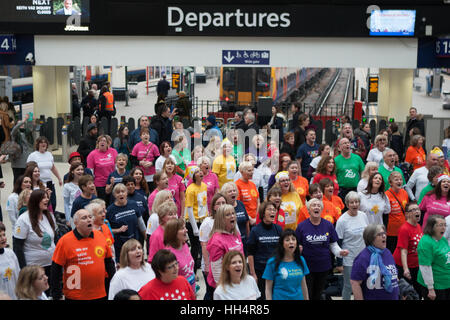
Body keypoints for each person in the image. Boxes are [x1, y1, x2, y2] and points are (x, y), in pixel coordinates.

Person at [51, 209, 115, 300]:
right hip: (75, 296)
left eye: (90, 217)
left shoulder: (100, 236)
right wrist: (56, 295)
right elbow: (56, 269)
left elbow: (109, 262)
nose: (89, 220)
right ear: (76, 223)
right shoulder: (64, 241)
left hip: (100, 294)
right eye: (84, 218)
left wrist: (114, 284)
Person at [295, 198, 348, 300]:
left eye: (318, 206)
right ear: (308, 210)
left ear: (321, 209)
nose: (316, 207)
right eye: (313, 205)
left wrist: (340, 252)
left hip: (323, 266)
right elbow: (296, 245)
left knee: (318, 293)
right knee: (307, 293)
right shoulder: (301, 226)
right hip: (307, 267)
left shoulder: (328, 225)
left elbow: (333, 245)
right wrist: (298, 249)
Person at [13, 189, 56, 297]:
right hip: (34, 268)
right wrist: (24, 269)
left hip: (50, 264)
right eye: (43, 198)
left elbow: (54, 240)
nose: (47, 200)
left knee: (49, 294)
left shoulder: (49, 216)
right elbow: (18, 246)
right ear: (35, 201)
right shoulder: (23, 219)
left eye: (47, 197)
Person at [350, 224, 400, 300]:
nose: (384, 236)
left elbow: (394, 274)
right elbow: (355, 282)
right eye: (380, 234)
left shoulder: (387, 252)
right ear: (371, 238)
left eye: (384, 233)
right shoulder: (363, 258)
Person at [335, 191, 369, 300]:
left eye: (356, 202)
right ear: (347, 204)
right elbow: (338, 242)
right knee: (349, 285)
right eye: (351, 202)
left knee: (363, 284)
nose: (354, 205)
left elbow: (367, 236)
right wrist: (339, 263)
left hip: (363, 257)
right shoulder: (342, 221)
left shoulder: (363, 215)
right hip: (349, 258)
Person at [247, 201, 282, 300]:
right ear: (263, 213)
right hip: (260, 270)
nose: (273, 212)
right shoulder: (255, 230)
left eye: (274, 210)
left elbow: (282, 250)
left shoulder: (278, 229)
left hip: (276, 270)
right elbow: (250, 253)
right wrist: (253, 273)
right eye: (269, 209)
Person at [206, 204, 244, 293]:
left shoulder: (236, 234)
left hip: (237, 281)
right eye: (228, 215)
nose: (232, 216)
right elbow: (216, 270)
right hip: (224, 286)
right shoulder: (216, 240)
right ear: (221, 220)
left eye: (233, 213)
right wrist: (224, 290)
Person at [263, 229, 309, 300]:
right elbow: (268, 289)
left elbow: (303, 284)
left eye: (293, 239)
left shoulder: (301, 260)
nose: (291, 242)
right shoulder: (272, 262)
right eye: (287, 240)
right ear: (282, 244)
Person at [107, 183, 146, 262]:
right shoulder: (110, 210)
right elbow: (106, 230)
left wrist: (146, 237)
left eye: (123, 191)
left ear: (126, 193)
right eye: (118, 192)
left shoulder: (133, 204)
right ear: (114, 195)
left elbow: (141, 223)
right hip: (120, 245)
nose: (121, 194)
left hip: (134, 241)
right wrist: (118, 230)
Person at [392, 201, 423, 299]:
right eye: (413, 210)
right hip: (403, 265)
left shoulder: (418, 226)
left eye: (417, 209)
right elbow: (403, 251)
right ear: (407, 214)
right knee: (405, 293)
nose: (417, 211)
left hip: (415, 264)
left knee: (419, 291)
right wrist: (406, 269)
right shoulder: (404, 229)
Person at [199, 193, 227, 300]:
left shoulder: (229, 219)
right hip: (211, 264)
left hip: (224, 263)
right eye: (218, 203)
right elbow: (204, 244)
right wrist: (206, 265)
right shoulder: (208, 223)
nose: (221, 205)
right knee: (211, 293)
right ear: (213, 207)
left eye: (223, 203)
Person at [417, 214, 450, 300]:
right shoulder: (426, 242)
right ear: (432, 227)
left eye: (444, 225)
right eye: (440, 225)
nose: (444, 228)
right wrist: (430, 288)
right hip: (436, 285)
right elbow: (425, 267)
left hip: (446, 281)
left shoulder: (442, 238)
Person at [27, 136, 62, 212]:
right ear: (38, 144)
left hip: (49, 182)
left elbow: (53, 167)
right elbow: (28, 169)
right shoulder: (33, 155)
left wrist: (59, 178)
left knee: (53, 203)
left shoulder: (49, 154)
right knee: (42, 203)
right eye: (41, 142)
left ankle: (51, 218)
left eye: (45, 142)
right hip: (39, 183)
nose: (43, 144)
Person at [184, 166, 208, 275]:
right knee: (195, 248)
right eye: (197, 172)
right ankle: (192, 273)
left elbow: (205, 203)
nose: (200, 173)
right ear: (193, 176)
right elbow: (189, 209)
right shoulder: (190, 189)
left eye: (200, 171)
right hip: (193, 222)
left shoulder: (204, 186)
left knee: (204, 246)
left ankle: (204, 268)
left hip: (203, 220)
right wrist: (194, 228)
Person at [164, 218, 196, 292]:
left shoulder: (185, 245)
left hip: (191, 289)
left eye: (185, 227)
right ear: (173, 233)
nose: (186, 230)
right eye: (182, 228)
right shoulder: (168, 253)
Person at [86, 134, 118, 204]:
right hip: (99, 185)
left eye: (104, 141)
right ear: (97, 143)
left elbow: (117, 167)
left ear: (107, 143)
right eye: (100, 141)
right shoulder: (92, 154)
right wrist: (92, 187)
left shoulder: (113, 151)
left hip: (112, 183)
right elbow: (90, 172)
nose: (102, 142)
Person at [385, 171, 410, 253]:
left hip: (403, 229)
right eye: (396, 180)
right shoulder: (386, 195)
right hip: (391, 231)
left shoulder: (404, 193)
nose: (399, 181)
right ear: (390, 183)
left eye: (400, 179)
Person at [334, 137, 365, 202]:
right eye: (344, 143)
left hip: (355, 189)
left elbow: (363, 172)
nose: (347, 144)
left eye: (348, 143)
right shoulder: (336, 160)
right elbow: (333, 176)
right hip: (342, 191)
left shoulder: (357, 158)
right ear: (339, 148)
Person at [10, 112, 34, 184]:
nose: (22, 125)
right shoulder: (14, 134)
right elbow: (14, 129)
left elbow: (31, 128)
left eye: (23, 124)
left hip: (27, 160)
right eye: (19, 124)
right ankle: (16, 193)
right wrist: (23, 120)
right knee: (17, 180)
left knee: (27, 179)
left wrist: (30, 120)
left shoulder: (27, 133)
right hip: (17, 161)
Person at [235, 161, 259, 227]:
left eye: (252, 170)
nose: (252, 172)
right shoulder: (237, 185)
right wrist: (249, 218)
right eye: (249, 170)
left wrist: (256, 217)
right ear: (242, 172)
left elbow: (258, 201)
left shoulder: (252, 184)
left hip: (255, 219)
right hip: (245, 220)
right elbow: (238, 205)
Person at [0, 221, 20, 300]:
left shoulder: (10, 253)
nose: (3, 238)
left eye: (4, 234)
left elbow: (18, 276)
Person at [63, 161, 83, 227]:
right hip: (73, 214)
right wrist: (68, 219)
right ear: (72, 171)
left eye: (82, 169)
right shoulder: (67, 186)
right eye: (78, 170)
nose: (80, 171)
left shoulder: (85, 184)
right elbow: (66, 203)